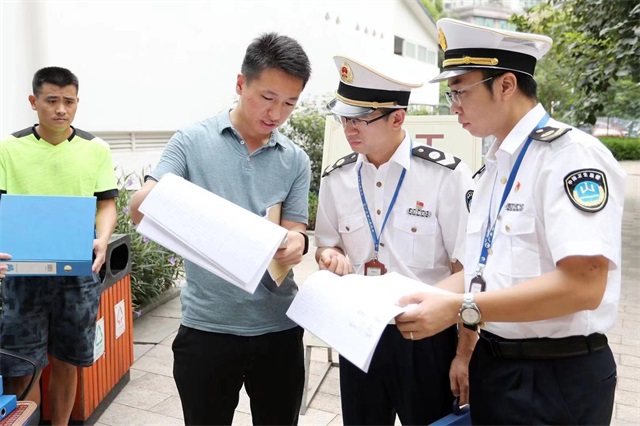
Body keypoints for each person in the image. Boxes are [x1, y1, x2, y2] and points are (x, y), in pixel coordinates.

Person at [396, 18, 626, 425]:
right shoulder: (493, 169)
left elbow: (584, 285)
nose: (454, 106)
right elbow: (481, 271)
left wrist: (460, 308)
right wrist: (406, 300)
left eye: (460, 91)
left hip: (556, 376)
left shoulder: (569, 157)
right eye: (450, 94)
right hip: (496, 364)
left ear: (505, 85)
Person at [129, 32, 312, 425]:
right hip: (207, 327)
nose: (276, 113)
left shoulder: (295, 159)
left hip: (278, 327)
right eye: (267, 97)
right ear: (241, 83)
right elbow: (140, 208)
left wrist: (297, 242)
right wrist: (158, 199)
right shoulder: (192, 141)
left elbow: (296, 228)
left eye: (289, 103)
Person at [314, 56, 476, 425]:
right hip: (358, 331)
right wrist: (329, 256)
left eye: (360, 119)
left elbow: (468, 271)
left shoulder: (445, 176)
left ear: (397, 118)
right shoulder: (337, 178)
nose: (349, 128)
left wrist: (465, 353)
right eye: (344, 118)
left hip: (425, 336)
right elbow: (327, 244)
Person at [0, 66, 118, 426]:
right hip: (21, 272)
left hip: (76, 269)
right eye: (51, 100)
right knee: (22, 365)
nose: (61, 109)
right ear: (33, 101)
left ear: (77, 102)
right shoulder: (8, 147)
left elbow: (106, 204)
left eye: (69, 101)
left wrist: (103, 238)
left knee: (67, 360)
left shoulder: (96, 149)